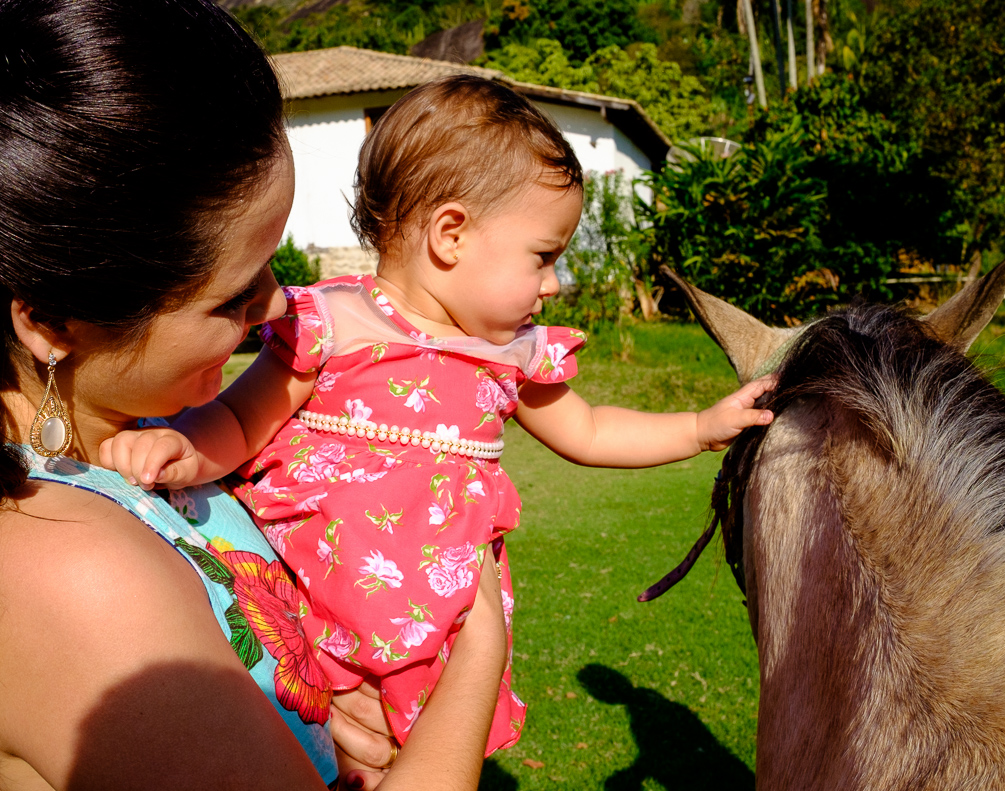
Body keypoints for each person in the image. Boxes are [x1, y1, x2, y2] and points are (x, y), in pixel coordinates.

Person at [0, 3, 509, 791]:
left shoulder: (166, 448)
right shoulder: (75, 569)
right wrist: (476, 653)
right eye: (233, 297)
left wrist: (310, 716)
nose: (278, 306)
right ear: (54, 322)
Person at [102, 75, 775, 756]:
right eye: (544, 257)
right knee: (308, 760)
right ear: (451, 235)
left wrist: (698, 429)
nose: (554, 283)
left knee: (415, 760)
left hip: (439, 633)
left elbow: (591, 429)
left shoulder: (511, 354)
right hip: (311, 618)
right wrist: (189, 450)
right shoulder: (333, 324)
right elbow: (245, 422)